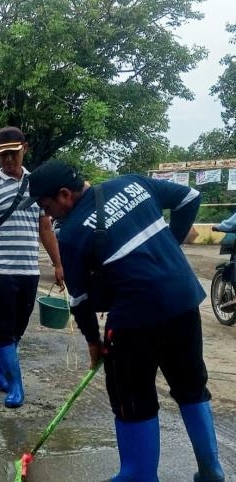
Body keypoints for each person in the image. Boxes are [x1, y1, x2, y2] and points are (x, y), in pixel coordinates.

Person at [26, 160, 225, 482]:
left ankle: (139, 474)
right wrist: (171, 245)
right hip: (183, 301)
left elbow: (79, 301)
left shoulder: (73, 234)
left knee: (132, 397)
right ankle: (211, 469)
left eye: (47, 207)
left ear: (64, 195)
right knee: (190, 386)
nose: (48, 216)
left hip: (135, 318)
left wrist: (94, 343)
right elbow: (190, 197)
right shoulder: (132, 183)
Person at [0, 126, 63, 408]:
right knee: (3, 330)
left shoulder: (37, 185)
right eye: (2, 155)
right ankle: (16, 386)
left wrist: (58, 264)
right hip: (0, 272)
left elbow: (45, 226)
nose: (8, 159)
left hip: (29, 271)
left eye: (13, 153)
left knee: (18, 329)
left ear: (24, 147)